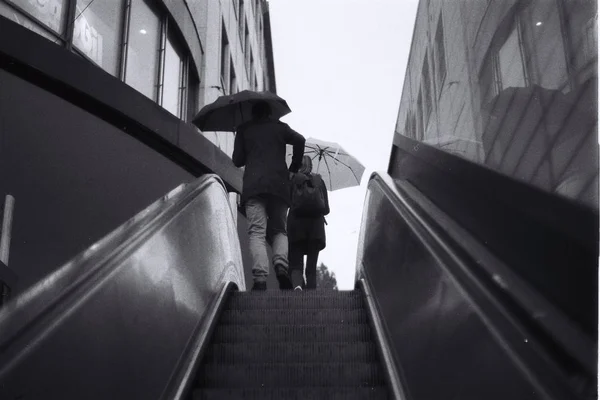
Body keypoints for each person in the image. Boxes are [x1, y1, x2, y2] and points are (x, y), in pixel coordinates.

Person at [232, 101, 305, 291]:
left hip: (254, 187)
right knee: (279, 230)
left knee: (257, 232)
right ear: (271, 113)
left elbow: (237, 160)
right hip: (279, 186)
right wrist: (293, 168)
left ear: (252, 113)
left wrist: (241, 139)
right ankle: (281, 266)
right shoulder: (280, 127)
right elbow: (300, 140)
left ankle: (260, 279)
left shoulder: (244, 129)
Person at [287, 155, 330, 290]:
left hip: (296, 227)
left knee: (296, 264)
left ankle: (298, 287)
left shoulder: (293, 179)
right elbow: (327, 209)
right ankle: (311, 295)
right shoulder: (319, 181)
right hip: (315, 230)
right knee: (311, 267)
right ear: (311, 166)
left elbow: (288, 202)